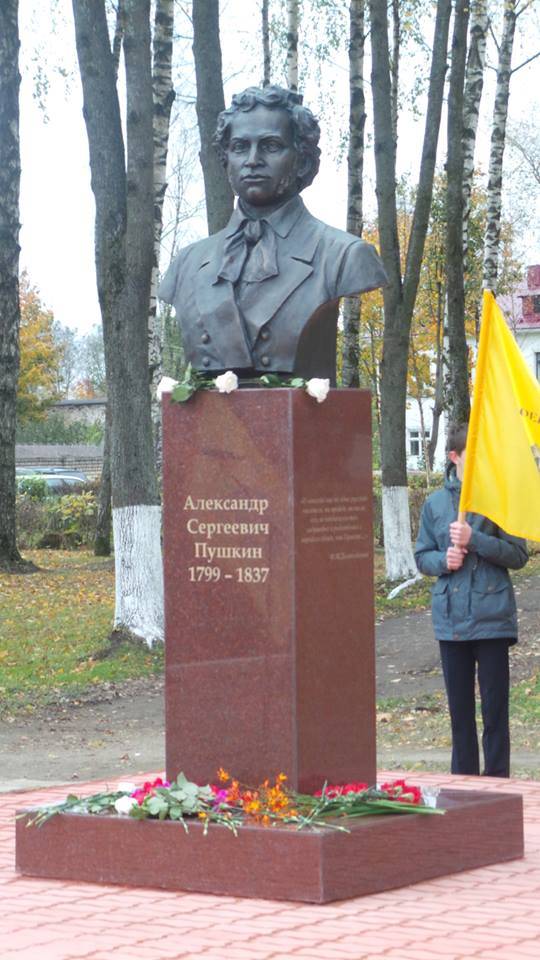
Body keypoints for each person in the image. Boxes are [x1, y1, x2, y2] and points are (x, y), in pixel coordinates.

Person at [158, 85, 387, 384]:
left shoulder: (344, 256)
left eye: (270, 146)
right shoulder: (188, 264)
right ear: (226, 159)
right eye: (240, 147)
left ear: (302, 159)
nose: (252, 159)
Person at [414, 422, 528, 777]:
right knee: (460, 716)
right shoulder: (434, 504)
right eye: (472, 457)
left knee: (495, 714)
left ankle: (498, 788)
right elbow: (422, 556)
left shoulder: (499, 499)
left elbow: (518, 554)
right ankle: (463, 789)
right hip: (451, 622)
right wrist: (442, 562)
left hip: (491, 619)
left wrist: (473, 538)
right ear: (454, 457)